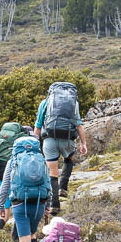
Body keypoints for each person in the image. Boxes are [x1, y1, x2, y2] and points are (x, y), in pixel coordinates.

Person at [0, 136, 51, 242]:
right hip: (39, 202)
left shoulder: (13, 161)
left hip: (20, 203)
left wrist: (1, 205)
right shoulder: (41, 159)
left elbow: (5, 186)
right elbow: (48, 182)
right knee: (32, 233)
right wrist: (48, 205)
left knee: (23, 237)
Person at [33, 82, 88, 215]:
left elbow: (38, 126)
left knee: (52, 172)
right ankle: (63, 187)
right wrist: (83, 143)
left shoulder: (45, 103)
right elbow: (79, 125)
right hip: (68, 139)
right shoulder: (74, 103)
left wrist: (34, 146)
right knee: (69, 158)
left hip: (49, 140)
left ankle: (55, 205)